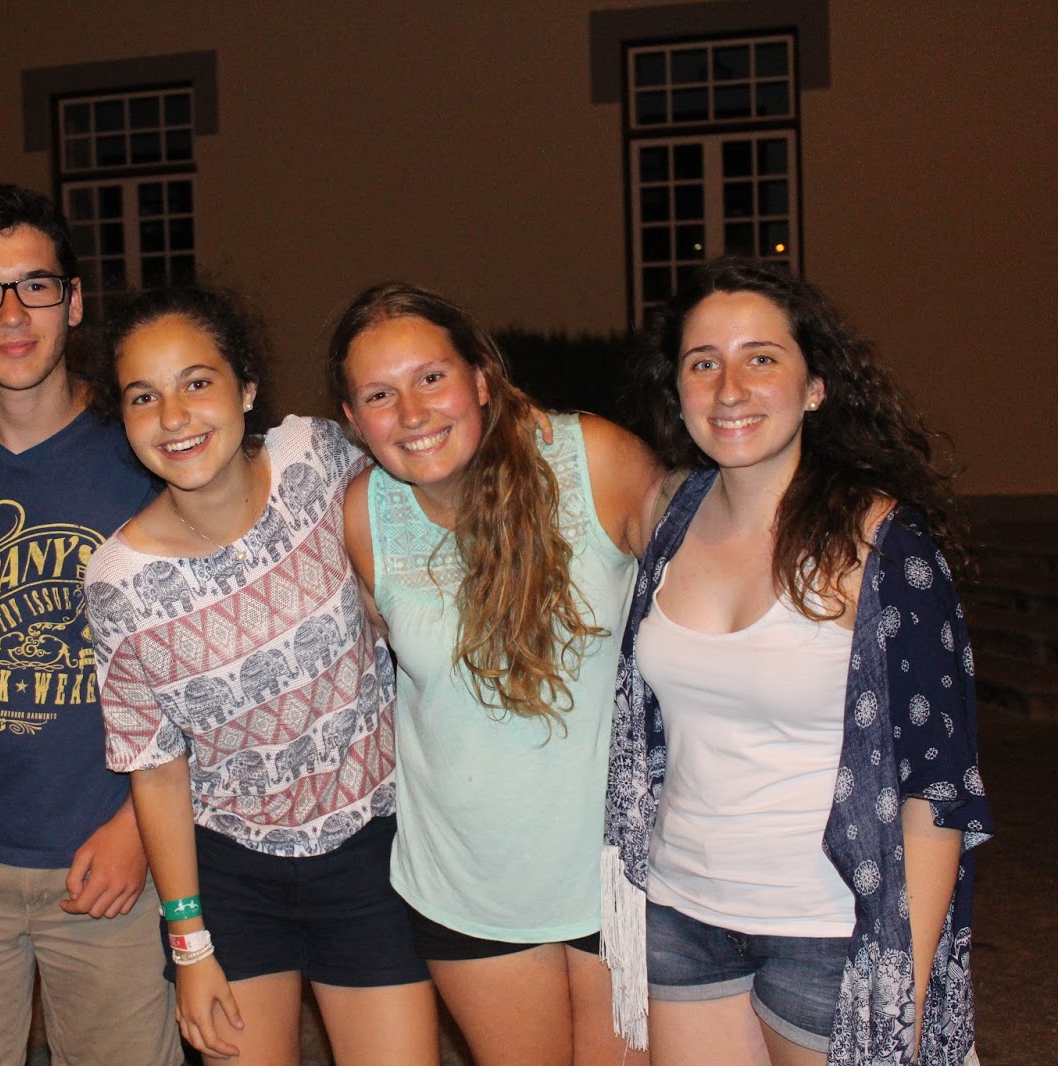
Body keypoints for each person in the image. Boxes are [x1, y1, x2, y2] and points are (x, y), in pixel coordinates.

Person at [602, 258, 991, 1066]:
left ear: (815, 385)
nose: (729, 389)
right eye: (702, 363)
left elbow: (936, 791)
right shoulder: (669, 521)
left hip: (828, 929)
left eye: (761, 358)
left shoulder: (883, 547)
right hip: (681, 909)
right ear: (677, 390)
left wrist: (903, 994)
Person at [84, 286, 440, 1064]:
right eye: (144, 397)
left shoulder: (315, 455)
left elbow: (420, 509)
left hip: (372, 852)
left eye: (196, 382)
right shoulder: (116, 582)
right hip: (233, 880)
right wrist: (189, 946)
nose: (173, 416)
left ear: (246, 387)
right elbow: (158, 771)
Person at [328, 283, 663, 1066]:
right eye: (380, 395)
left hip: (619, 872)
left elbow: (705, 607)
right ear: (353, 420)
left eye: (432, 377)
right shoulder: (364, 515)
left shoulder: (596, 461)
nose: (412, 412)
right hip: (467, 882)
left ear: (481, 378)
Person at [0, 185, 179, 1065]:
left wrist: (139, 827)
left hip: (112, 848)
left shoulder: (147, 444)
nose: (11, 314)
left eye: (36, 285)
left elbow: (211, 646)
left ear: (74, 300)